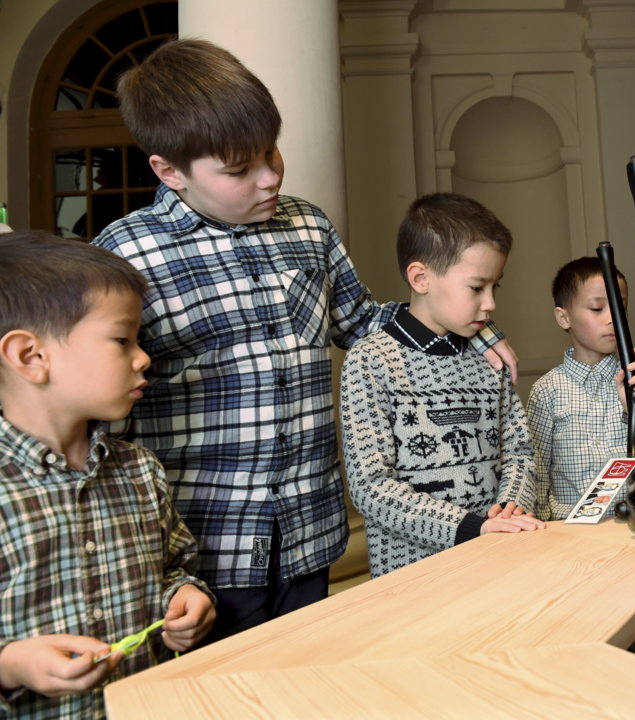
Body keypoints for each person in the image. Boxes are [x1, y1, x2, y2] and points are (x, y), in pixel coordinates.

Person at [91, 39, 517, 643]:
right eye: (239, 170)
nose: (269, 177)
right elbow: (104, 425)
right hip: (207, 551)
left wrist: (478, 325)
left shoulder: (308, 226)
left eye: (271, 152)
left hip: (310, 535)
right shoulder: (125, 255)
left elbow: (366, 322)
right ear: (169, 171)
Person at [0, 231, 216, 719]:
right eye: (122, 340)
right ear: (31, 357)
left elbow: (172, 568)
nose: (143, 357)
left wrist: (185, 596)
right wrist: (11, 665)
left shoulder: (140, 470)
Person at [340, 193, 544, 577]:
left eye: (495, 287)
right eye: (477, 287)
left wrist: (511, 508)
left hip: (497, 560)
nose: (491, 303)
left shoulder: (490, 358)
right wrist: (471, 528)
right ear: (421, 278)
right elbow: (372, 486)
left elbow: (520, 453)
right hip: (413, 576)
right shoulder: (371, 361)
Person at [526, 257, 635, 520]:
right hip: (568, 527)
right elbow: (538, 471)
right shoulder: (546, 391)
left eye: (620, 308)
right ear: (564, 317)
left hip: (633, 523)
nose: (613, 319)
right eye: (597, 308)